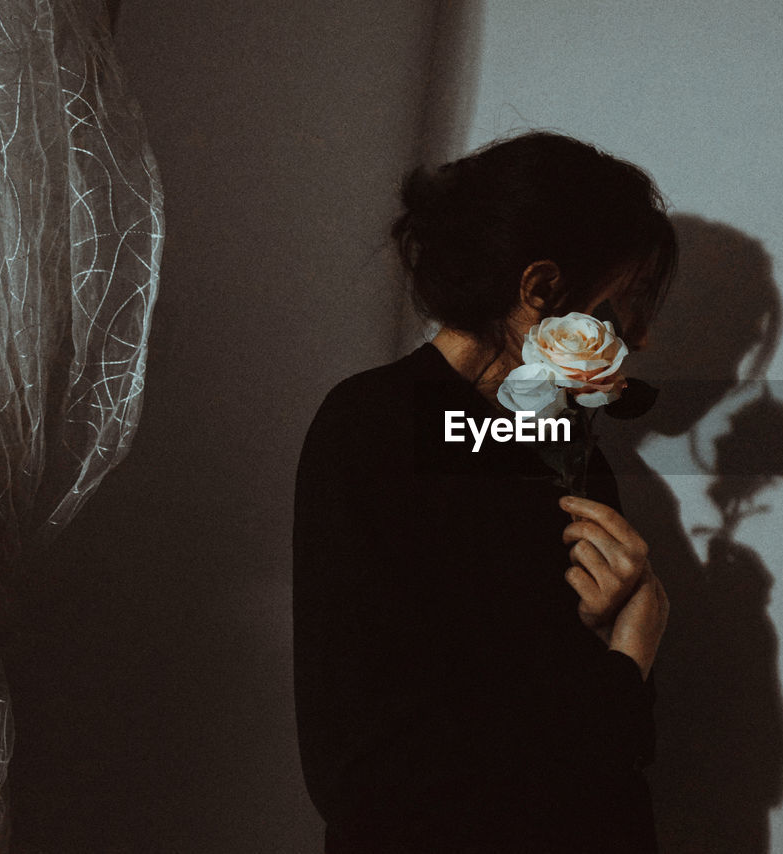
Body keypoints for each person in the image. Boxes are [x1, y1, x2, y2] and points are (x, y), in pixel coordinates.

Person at [293, 131, 677, 852]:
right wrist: (627, 656)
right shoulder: (375, 428)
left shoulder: (568, 444)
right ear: (539, 289)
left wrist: (603, 638)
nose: (641, 339)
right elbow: (367, 774)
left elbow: (615, 752)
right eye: (622, 304)